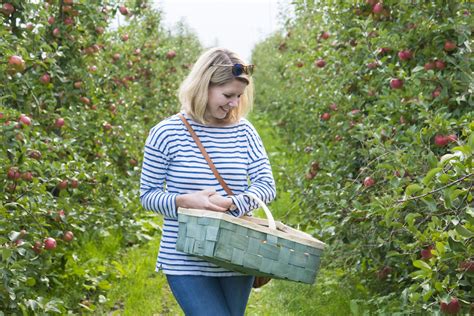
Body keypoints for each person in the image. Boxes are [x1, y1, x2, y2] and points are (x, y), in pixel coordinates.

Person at [139, 47, 276, 316]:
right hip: (184, 257)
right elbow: (148, 195)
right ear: (204, 86)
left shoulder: (244, 132)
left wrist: (234, 204)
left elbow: (266, 185)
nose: (234, 103)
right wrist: (185, 201)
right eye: (227, 95)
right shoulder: (166, 133)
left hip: (236, 254)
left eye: (239, 96)